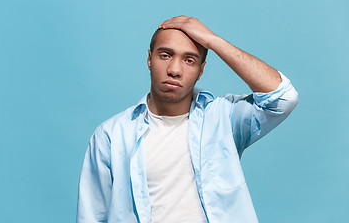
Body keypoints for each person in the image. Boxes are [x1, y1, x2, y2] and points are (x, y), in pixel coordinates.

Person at [76, 15, 298, 223]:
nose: (174, 70)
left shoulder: (223, 118)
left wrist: (213, 41)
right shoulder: (111, 135)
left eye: (189, 60)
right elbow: (91, 216)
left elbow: (283, 98)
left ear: (201, 70)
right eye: (165, 55)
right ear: (149, 59)